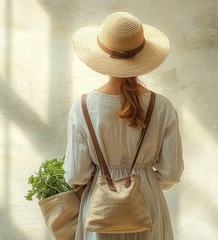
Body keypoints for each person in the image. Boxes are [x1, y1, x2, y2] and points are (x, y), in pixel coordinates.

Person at [63, 12, 184, 240]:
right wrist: (142, 182)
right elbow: (172, 172)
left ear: (102, 55)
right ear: (142, 57)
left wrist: (110, 182)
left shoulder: (83, 107)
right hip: (149, 206)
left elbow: (75, 174)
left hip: (99, 209)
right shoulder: (163, 107)